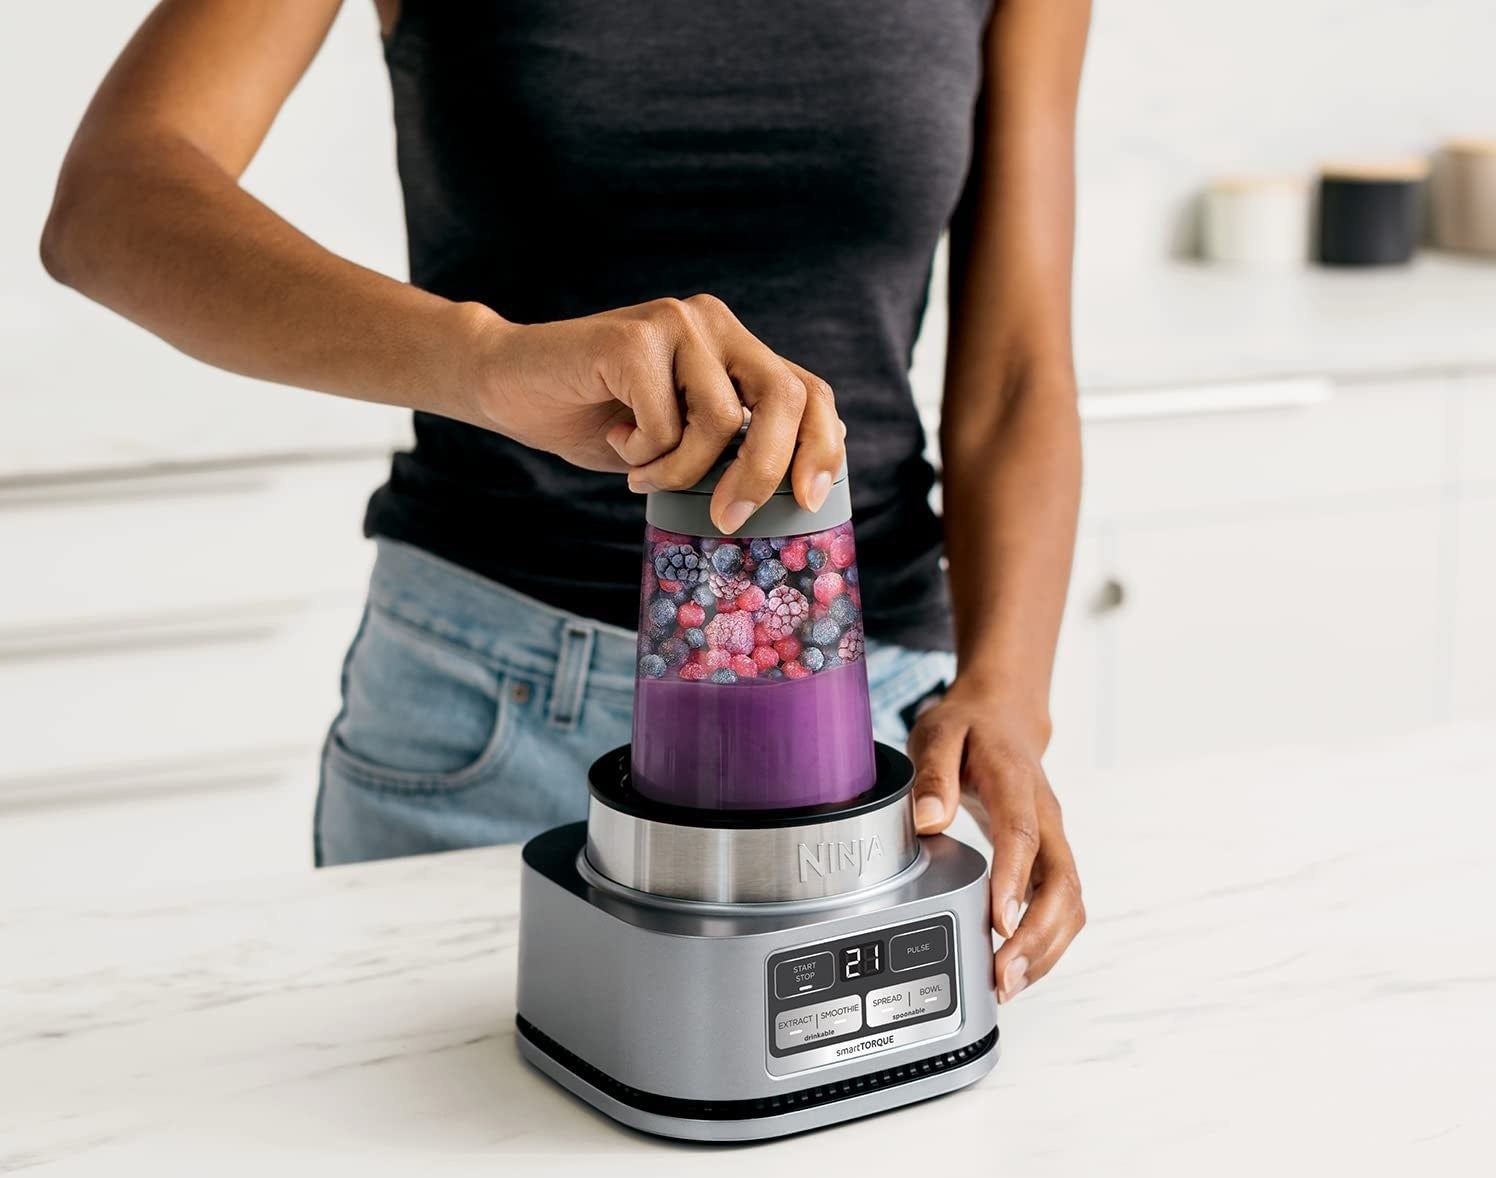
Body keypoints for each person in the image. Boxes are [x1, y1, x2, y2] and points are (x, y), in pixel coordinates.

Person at [41, 0, 1089, 1003]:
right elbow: (115, 198)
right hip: (482, 714)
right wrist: (487, 360)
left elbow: (1013, 376)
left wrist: (1006, 687)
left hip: (862, 737)